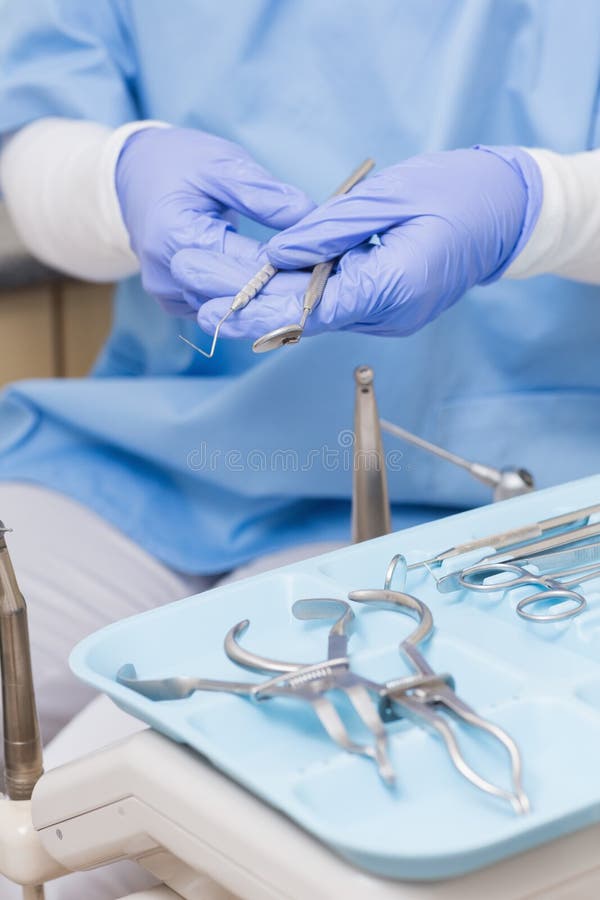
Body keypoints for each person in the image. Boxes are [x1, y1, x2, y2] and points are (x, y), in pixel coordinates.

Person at [0, 0, 600, 895]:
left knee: (126, 843)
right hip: (133, 465)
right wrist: (114, 176)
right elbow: (31, 151)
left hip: (470, 513)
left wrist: (540, 205)